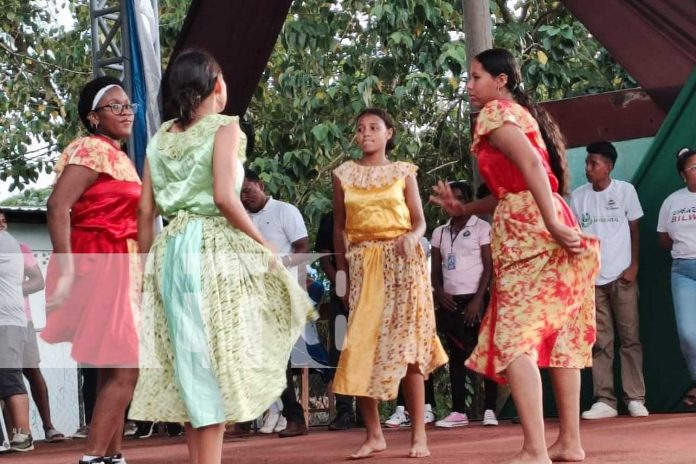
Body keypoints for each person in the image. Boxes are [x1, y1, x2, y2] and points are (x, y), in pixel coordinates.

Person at [129, 49, 314, 464]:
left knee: (192, 365)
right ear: (216, 84)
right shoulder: (224, 127)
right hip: (211, 247)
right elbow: (223, 197)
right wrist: (262, 242)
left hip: (170, 251)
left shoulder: (159, 139)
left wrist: (143, 271)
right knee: (214, 362)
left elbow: (145, 212)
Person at [430, 48, 599, 464]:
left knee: (513, 338)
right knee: (558, 333)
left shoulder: (494, 113)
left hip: (530, 227)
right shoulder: (521, 113)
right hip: (545, 217)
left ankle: (534, 450)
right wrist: (465, 209)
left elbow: (530, 168)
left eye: (475, 77)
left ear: (500, 80)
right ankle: (569, 443)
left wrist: (551, 223)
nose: (469, 86)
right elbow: (516, 182)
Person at [332, 107, 448, 459]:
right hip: (363, 266)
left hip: (404, 266)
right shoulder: (343, 174)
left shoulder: (403, 172)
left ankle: (418, 436)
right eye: (360, 128)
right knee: (360, 347)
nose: (365, 133)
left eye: (373, 127)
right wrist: (342, 274)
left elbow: (420, 222)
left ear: (389, 133)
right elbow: (339, 227)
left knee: (409, 350)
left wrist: (413, 237)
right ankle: (374, 434)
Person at [41, 76, 141, 464]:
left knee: (112, 368)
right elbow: (57, 206)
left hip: (120, 264)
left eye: (127, 104)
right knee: (126, 369)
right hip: (103, 264)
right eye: (114, 106)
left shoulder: (117, 155)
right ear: (93, 117)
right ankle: (94, 457)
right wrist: (66, 268)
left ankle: (112, 456)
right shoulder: (93, 149)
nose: (126, 111)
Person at [570, 141, 649, 420]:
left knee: (630, 339)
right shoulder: (578, 197)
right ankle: (605, 400)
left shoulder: (625, 191)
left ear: (609, 166)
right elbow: (575, 238)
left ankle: (635, 398)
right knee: (600, 341)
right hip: (592, 280)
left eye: (594, 163)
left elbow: (635, 229)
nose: (588, 168)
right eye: (587, 163)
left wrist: (634, 266)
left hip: (622, 276)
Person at [241, 168, 311, 438]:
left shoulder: (285, 211)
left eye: (248, 190)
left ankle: (294, 417)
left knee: (278, 357)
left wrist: (280, 266)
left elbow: (303, 248)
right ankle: (249, 418)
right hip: (252, 295)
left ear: (260, 184)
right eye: (240, 194)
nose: (245, 197)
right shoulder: (243, 217)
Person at [430, 181, 499, 428]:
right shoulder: (439, 232)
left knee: (485, 352)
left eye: (460, 198)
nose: (454, 203)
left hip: (476, 299)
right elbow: (435, 269)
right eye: (452, 198)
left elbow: (488, 266)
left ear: (468, 201)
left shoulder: (481, 227)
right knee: (456, 355)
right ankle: (459, 411)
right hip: (450, 302)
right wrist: (439, 293)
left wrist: (478, 300)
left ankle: (490, 408)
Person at [657, 148, 696, 408]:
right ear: (683, 175)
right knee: (688, 333)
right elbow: (663, 238)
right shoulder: (672, 201)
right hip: (682, 270)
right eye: (693, 167)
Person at [315, 211, 356, 431]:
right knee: (339, 350)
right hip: (340, 298)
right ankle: (344, 411)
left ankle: (372, 413)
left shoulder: (368, 211)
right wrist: (342, 290)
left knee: (369, 350)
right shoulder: (330, 218)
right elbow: (325, 259)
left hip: (370, 292)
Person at [0, 227, 33, 452]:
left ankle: (23, 435)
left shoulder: (4, 243)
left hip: (6, 322)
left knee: (10, 377)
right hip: (7, 321)